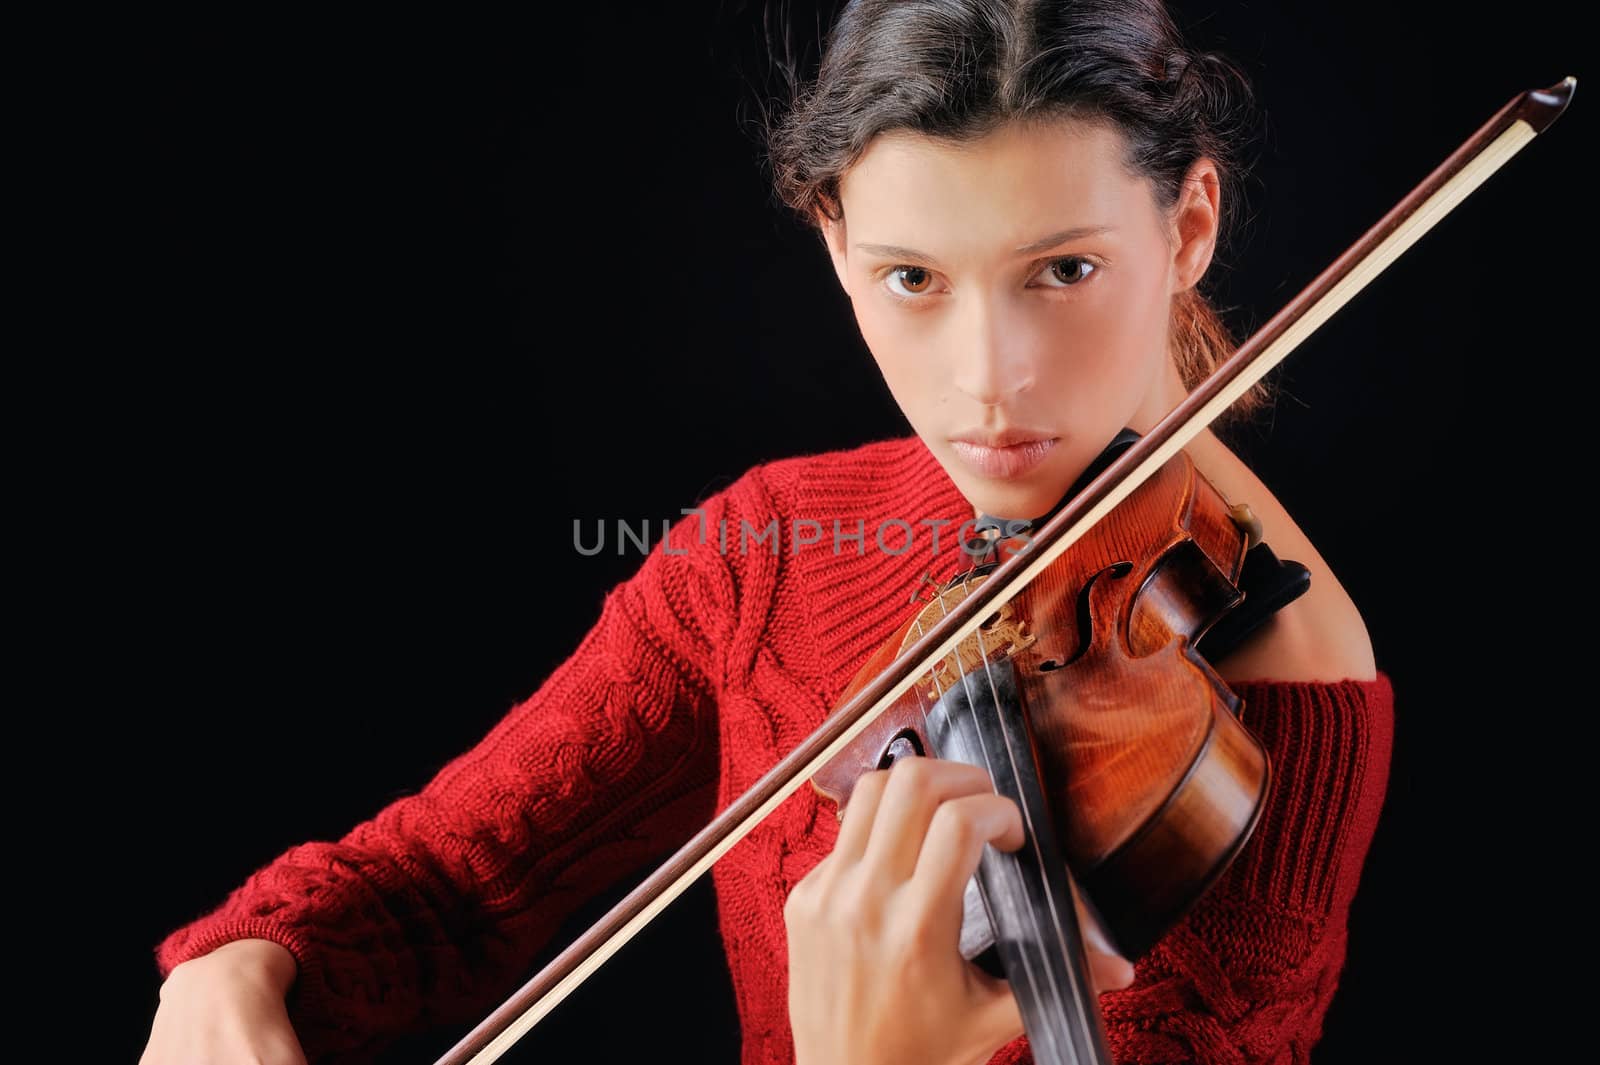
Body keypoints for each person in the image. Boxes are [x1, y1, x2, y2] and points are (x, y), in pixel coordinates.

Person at [140, 1, 1393, 1062]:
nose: (988, 380)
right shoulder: (770, 546)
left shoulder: (1272, 691)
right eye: (914, 279)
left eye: (1061, 271)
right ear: (836, 243)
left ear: (1186, 229)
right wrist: (242, 967)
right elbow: (444, 884)